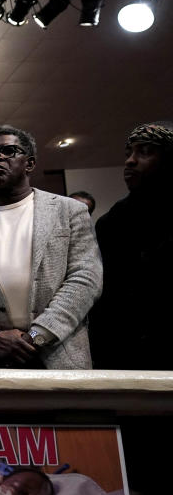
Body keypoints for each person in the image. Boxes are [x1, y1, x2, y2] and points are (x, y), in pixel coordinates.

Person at [0, 125, 103, 369]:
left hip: (59, 354)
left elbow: (85, 278)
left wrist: (36, 336)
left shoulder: (69, 212)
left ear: (29, 164)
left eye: (8, 151)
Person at [91, 121, 173, 370]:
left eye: (145, 152)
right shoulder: (112, 222)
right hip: (125, 355)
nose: (130, 161)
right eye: (129, 153)